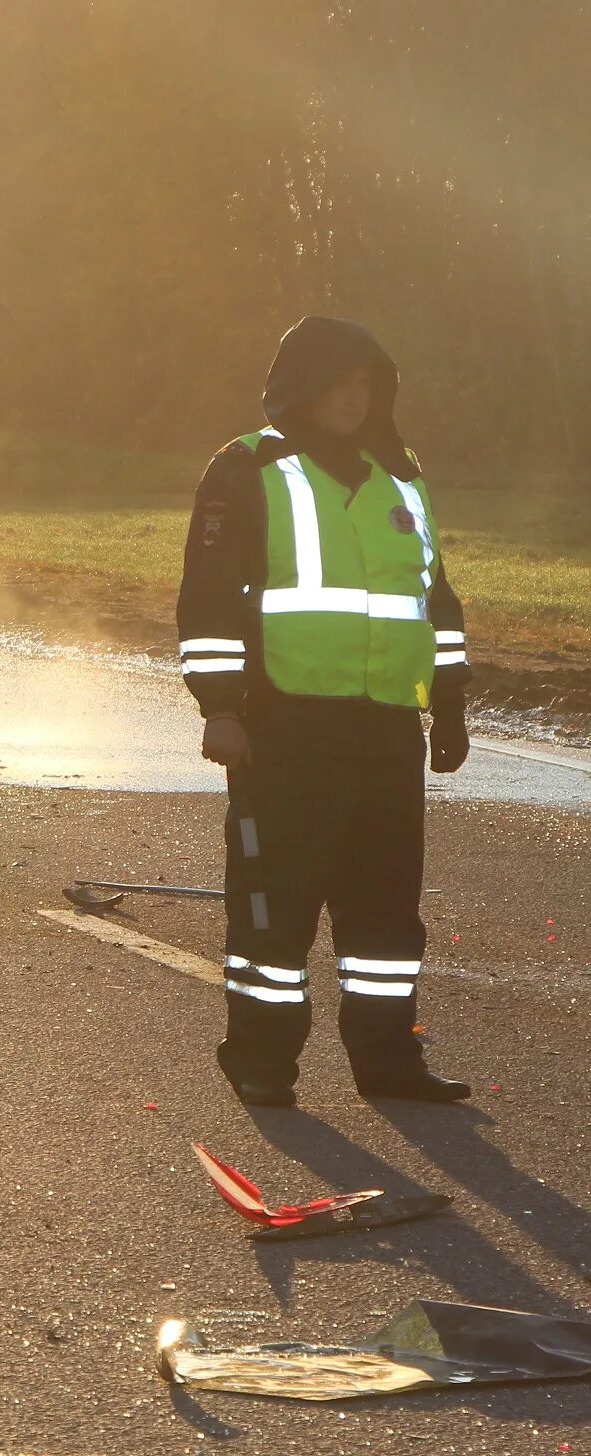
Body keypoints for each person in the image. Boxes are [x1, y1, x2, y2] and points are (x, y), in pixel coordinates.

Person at [176, 316, 472, 1107]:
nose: (352, 398)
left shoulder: (402, 478)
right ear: (301, 388)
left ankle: (388, 1063)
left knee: (385, 913)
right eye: (336, 382)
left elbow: (433, 601)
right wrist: (220, 707)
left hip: (384, 730)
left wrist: (449, 708)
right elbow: (208, 598)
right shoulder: (247, 468)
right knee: (277, 907)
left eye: (364, 383)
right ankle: (263, 1063)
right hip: (285, 728)